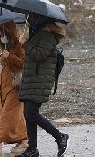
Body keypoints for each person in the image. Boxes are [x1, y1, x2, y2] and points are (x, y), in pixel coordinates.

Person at [15, 13, 69, 157]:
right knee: (29, 115)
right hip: (32, 79)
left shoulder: (48, 35)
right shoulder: (39, 33)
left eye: (32, 19)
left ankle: (60, 136)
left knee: (31, 113)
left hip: (40, 80)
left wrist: (25, 43)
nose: (30, 21)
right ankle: (32, 149)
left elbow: (39, 54)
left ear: (40, 20)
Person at [0, 21, 29, 154]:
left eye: (4, 33)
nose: (2, 36)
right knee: (14, 114)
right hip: (5, 86)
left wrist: (10, 57)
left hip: (15, 86)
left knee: (8, 113)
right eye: (0, 33)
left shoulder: (20, 46)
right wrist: (5, 56)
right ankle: (24, 140)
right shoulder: (6, 46)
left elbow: (23, 63)